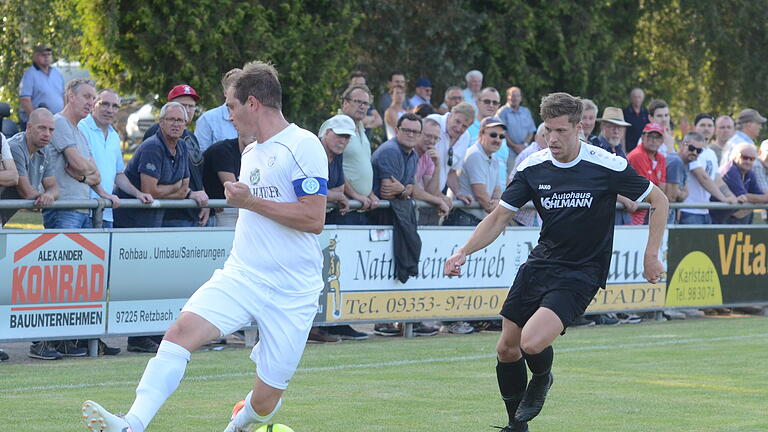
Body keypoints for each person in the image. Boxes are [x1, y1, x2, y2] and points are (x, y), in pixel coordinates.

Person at [82, 60, 330, 432]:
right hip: (242, 275)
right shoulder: (250, 153)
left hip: (293, 291)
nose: (227, 116)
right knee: (179, 333)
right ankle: (131, 423)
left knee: (265, 402)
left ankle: (239, 424)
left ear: (252, 104)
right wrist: (248, 202)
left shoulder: (303, 144)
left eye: (230, 106)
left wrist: (250, 202)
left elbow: (313, 219)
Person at [445, 93, 666, 432]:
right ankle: (516, 426)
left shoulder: (605, 164)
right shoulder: (533, 167)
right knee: (506, 348)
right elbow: (499, 217)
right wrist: (463, 251)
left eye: (561, 130)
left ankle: (544, 377)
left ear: (579, 128)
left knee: (531, 342)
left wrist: (651, 254)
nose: (553, 138)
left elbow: (659, 200)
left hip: (583, 271)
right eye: (547, 130)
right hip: (541, 264)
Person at [79, 89, 153, 228]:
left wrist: (138, 194)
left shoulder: (114, 136)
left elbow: (118, 174)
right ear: (94, 104)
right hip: (83, 211)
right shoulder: (81, 128)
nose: (110, 110)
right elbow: (81, 169)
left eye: (115, 106)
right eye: (104, 104)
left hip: (106, 211)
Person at [143, 84, 210, 227]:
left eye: (191, 106)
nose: (187, 110)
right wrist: (189, 193)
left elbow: (197, 173)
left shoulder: (190, 136)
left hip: (193, 212)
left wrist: (205, 202)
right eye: (182, 105)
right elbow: (156, 179)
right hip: (168, 214)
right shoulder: (157, 133)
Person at [0, 109, 56, 226]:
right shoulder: (15, 146)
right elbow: (26, 192)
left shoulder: (45, 149)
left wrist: (49, 195)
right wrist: (42, 197)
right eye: (42, 128)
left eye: (51, 130)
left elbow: (53, 186)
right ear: (29, 128)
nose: (47, 134)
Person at [332, 84, 379, 224]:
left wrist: (369, 194)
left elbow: (358, 166)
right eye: (358, 102)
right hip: (343, 208)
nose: (363, 107)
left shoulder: (361, 128)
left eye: (366, 104)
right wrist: (355, 195)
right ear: (345, 103)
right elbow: (333, 167)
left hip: (361, 206)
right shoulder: (335, 127)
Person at [446, 116, 503, 225]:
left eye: (501, 136)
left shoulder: (494, 158)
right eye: (493, 135)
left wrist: (496, 204)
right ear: (481, 134)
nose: (497, 140)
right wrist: (498, 218)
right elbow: (481, 195)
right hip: (463, 217)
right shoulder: (475, 155)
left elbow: (497, 191)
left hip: (474, 218)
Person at [202, 133, 254, 227]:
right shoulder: (223, 150)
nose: (254, 135)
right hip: (220, 209)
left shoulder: (258, 152)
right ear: (239, 129)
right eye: (251, 130)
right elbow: (234, 190)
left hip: (239, 206)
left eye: (258, 131)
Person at [426, 102, 476, 198]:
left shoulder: (466, 137)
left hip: (436, 197)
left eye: (464, 126)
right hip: (418, 195)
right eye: (457, 121)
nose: (459, 128)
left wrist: (459, 194)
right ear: (451, 114)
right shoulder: (432, 122)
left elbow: (451, 172)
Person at [712, 143, 768, 224]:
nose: (748, 161)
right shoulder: (730, 171)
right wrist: (757, 199)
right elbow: (743, 197)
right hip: (718, 219)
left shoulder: (749, 172)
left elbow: (759, 195)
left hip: (732, 217)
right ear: (735, 156)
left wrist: (755, 199)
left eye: (752, 159)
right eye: (744, 157)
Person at [411, 117, 451, 225]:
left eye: (436, 138)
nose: (432, 141)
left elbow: (431, 191)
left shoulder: (428, 155)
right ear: (419, 133)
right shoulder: (410, 153)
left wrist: (437, 165)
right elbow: (413, 191)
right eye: (428, 136)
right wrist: (439, 201)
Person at [627, 123, 667, 225]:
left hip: (648, 209)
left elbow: (662, 187)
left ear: (662, 141)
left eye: (657, 137)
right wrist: (656, 186)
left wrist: (655, 186)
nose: (653, 140)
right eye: (650, 136)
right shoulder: (637, 155)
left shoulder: (661, 158)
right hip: (634, 212)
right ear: (643, 137)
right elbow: (645, 189)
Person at [18, 45, 65, 129]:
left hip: (56, 122)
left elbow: (64, 96)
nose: (46, 57)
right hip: (37, 125)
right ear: (35, 57)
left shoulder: (56, 73)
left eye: (49, 54)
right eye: (43, 55)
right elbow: (25, 100)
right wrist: (35, 119)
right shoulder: (29, 74)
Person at [195, 68, 242, 152]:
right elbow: (200, 158)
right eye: (234, 91)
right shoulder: (207, 120)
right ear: (225, 92)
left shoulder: (256, 117)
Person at [664, 132, 705, 223]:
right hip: (664, 216)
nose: (694, 152)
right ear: (683, 145)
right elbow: (671, 196)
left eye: (699, 150)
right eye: (691, 148)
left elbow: (685, 193)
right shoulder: (676, 162)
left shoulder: (685, 163)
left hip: (669, 214)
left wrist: (681, 193)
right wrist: (681, 194)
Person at [496, 87, 536, 173]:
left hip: (525, 152)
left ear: (520, 98)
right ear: (508, 97)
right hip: (509, 153)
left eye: (517, 96)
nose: (515, 98)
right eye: (512, 95)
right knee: (511, 178)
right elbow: (502, 132)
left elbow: (531, 131)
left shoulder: (526, 111)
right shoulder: (502, 112)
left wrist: (524, 145)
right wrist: (515, 146)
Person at [623, 88, 649, 153]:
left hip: (644, 149)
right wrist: (623, 151)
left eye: (639, 97)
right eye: (635, 97)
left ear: (643, 99)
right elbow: (622, 133)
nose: (637, 99)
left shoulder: (646, 113)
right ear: (631, 98)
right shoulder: (625, 113)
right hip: (629, 149)